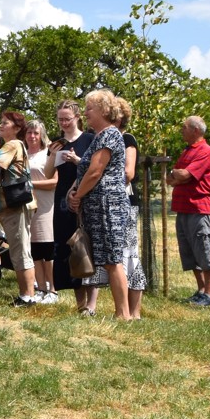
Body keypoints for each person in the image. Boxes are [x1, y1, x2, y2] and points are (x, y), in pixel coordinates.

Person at [65, 89, 131, 319]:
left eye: (89, 109)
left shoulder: (109, 135)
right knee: (109, 260)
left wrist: (78, 196)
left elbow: (95, 172)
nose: (85, 113)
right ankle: (121, 312)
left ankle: (123, 314)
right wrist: (76, 192)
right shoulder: (101, 136)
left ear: (103, 110)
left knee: (113, 260)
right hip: (99, 205)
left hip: (108, 206)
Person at [46, 100, 95, 307]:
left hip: (86, 197)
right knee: (69, 248)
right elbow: (48, 173)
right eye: (60, 120)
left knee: (88, 247)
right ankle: (80, 304)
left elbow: (95, 168)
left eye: (67, 119)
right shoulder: (58, 143)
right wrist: (52, 155)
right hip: (62, 200)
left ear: (77, 118)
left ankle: (91, 305)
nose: (64, 123)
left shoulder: (90, 139)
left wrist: (77, 160)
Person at [166, 115, 210, 307]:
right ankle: (201, 290)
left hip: (198, 208)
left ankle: (209, 295)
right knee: (189, 252)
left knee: (203, 250)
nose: (182, 130)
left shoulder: (205, 151)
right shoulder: (187, 151)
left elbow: (185, 174)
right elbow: (171, 178)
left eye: (184, 127)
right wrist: (178, 175)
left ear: (196, 130)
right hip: (183, 208)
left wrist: (179, 175)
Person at [0, 110, 38, 306]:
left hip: (14, 205)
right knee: (21, 248)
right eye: (1, 122)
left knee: (20, 250)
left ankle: (27, 296)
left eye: (5, 123)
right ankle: (27, 294)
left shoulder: (12, 144)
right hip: (16, 205)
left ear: (17, 128)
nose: (0, 126)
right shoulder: (15, 144)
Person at [111, 97, 146, 318]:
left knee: (130, 255)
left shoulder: (127, 139)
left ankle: (134, 311)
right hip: (113, 204)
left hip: (126, 204)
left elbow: (128, 173)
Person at [24, 119, 57, 304]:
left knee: (47, 247)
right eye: (29, 132)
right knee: (34, 248)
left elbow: (54, 182)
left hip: (46, 206)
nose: (32, 136)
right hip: (28, 206)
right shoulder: (23, 154)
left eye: (36, 133)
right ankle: (41, 287)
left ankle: (53, 289)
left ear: (42, 135)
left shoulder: (48, 154)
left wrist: (30, 184)